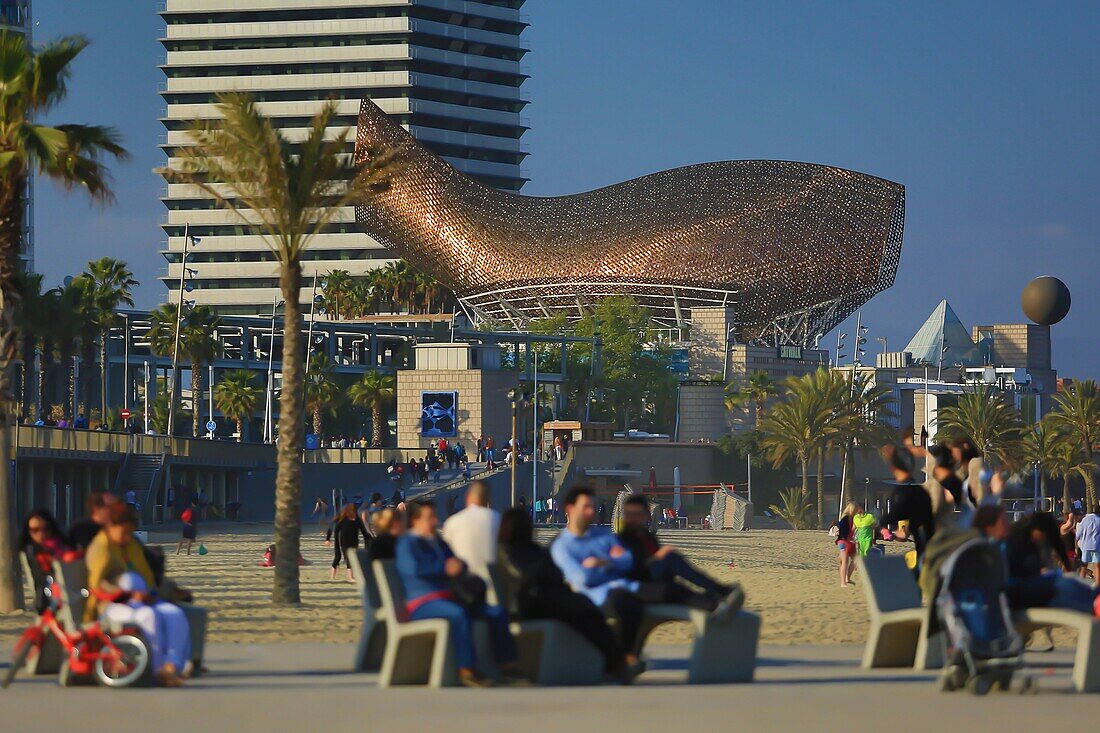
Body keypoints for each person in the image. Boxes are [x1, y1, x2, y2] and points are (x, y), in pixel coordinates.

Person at [551, 486, 740, 656]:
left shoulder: (603, 536)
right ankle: (625, 660)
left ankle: (717, 602)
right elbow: (584, 577)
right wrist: (611, 563)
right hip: (606, 592)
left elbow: (624, 561)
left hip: (627, 585)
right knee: (648, 596)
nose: (591, 511)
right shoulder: (563, 545)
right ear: (570, 509)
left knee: (671, 586)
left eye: (592, 506)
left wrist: (602, 561)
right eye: (586, 507)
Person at [497, 508, 639, 681]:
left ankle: (614, 660)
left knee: (588, 610)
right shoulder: (507, 551)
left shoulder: (530, 549)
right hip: (529, 604)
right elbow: (526, 576)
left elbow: (551, 573)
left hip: (545, 598)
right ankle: (615, 662)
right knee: (582, 614)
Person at [395, 500, 517, 687]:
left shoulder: (438, 542)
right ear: (415, 520)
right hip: (422, 602)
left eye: (434, 516)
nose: (434, 521)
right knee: (459, 614)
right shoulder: (407, 543)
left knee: (496, 613)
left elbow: (458, 563)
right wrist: (444, 568)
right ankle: (466, 670)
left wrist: (458, 566)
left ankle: (508, 667)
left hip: (450, 597)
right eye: (429, 518)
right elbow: (413, 569)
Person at [85, 504, 191, 686]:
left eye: (130, 533)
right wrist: (129, 594)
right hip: (112, 605)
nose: (127, 537)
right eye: (124, 532)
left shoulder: (131, 544)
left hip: (140, 600)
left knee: (175, 614)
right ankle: (157, 670)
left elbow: (147, 577)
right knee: (149, 616)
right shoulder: (101, 547)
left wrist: (161, 592)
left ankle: (171, 665)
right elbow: (97, 585)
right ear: (111, 526)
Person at [616, 495, 739, 602]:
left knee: (679, 587)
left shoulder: (647, 537)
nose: (634, 518)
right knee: (671, 558)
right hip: (640, 584)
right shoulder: (624, 539)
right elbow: (632, 569)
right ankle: (718, 590)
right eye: (631, 514)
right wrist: (659, 556)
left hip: (656, 579)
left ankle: (714, 596)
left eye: (639, 514)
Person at [878, 443, 935, 563]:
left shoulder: (904, 491)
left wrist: (880, 524)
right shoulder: (920, 490)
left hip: (925, 549)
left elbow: (896, 513)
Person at [440, 480, 500, 583]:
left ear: (467, 496)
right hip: (492, 583)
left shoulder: (452, 522)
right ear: (488, 499)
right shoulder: (498, 520)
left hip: (462, 585)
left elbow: (445, 557)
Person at [18, 510, 75, 614]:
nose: (41, 534)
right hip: (50, 597)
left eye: (46, 529)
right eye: (35, 530)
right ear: (28, 531)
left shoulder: (62, 544)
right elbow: (40, 578)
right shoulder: (31, 550)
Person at [326, 503, 370, 581]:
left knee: (353, 558)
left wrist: (372, 538)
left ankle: (350, 576)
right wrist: (328, 538)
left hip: (354, 541)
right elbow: (334, 528)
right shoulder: (343, 519)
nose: (354, 512)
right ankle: (334, 576)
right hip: (344, 541)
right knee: (338, 557)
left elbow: (364, 532)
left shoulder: (357, 520)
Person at [836, 502, 858, 587]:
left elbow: (851, 532)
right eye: (855, 510)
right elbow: (842, 533)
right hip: (843, 541)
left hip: (850, 542)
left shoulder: (852, 519)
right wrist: (849, 539)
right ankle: (843, 582)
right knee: (845, 562)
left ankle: (847, 578)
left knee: (856, 560)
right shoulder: (844, 519)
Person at [1075, 507, 1100, 584]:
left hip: (1085, 546)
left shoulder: (1085, 520)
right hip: (1097, 546)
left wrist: (1076, 547)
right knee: (1097, 567)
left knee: (1083, 567)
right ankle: (1098, 586)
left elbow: (1078, 535)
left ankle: (1080, 585)